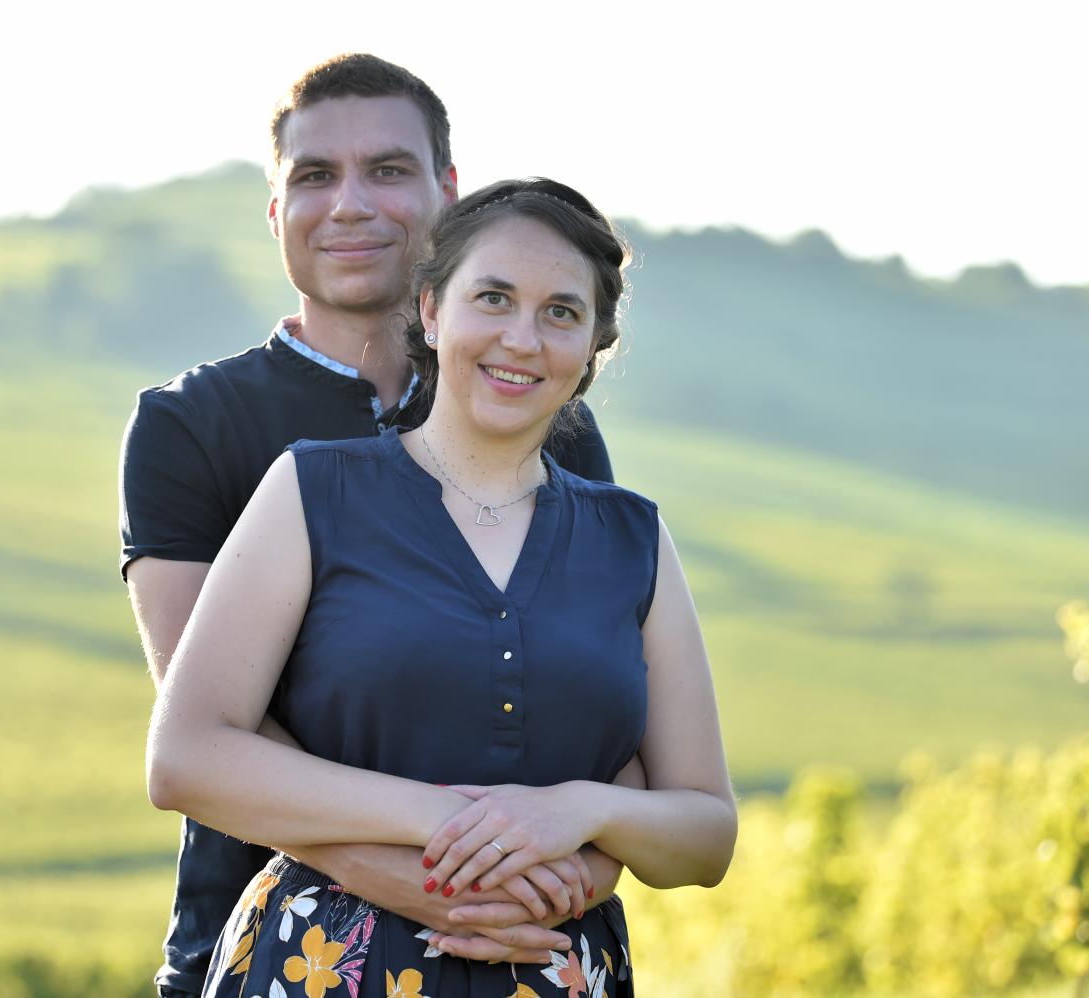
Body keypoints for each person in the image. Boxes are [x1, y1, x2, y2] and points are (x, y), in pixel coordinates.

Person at [147, 177, 736, 997]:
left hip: (554, 975)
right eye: (492, 298)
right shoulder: (314, 492)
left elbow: (706, 834)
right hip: (318, 969)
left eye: (560, 312)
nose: (522, 339)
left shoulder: (634, 539)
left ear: (595, 341)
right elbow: (185, 758)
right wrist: (454, 827)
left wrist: (578, 812)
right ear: (431, 310)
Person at [121, 55, 627, 997]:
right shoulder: (190, 425)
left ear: (448, 194)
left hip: (530, 952)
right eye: (314, 175)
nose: (349, 203)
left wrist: (580, 877)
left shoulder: (553, 424)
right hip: (275, 952)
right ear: (275, 210)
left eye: (387, 170)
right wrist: (423, 881)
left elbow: (609, 705)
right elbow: (221, 740)